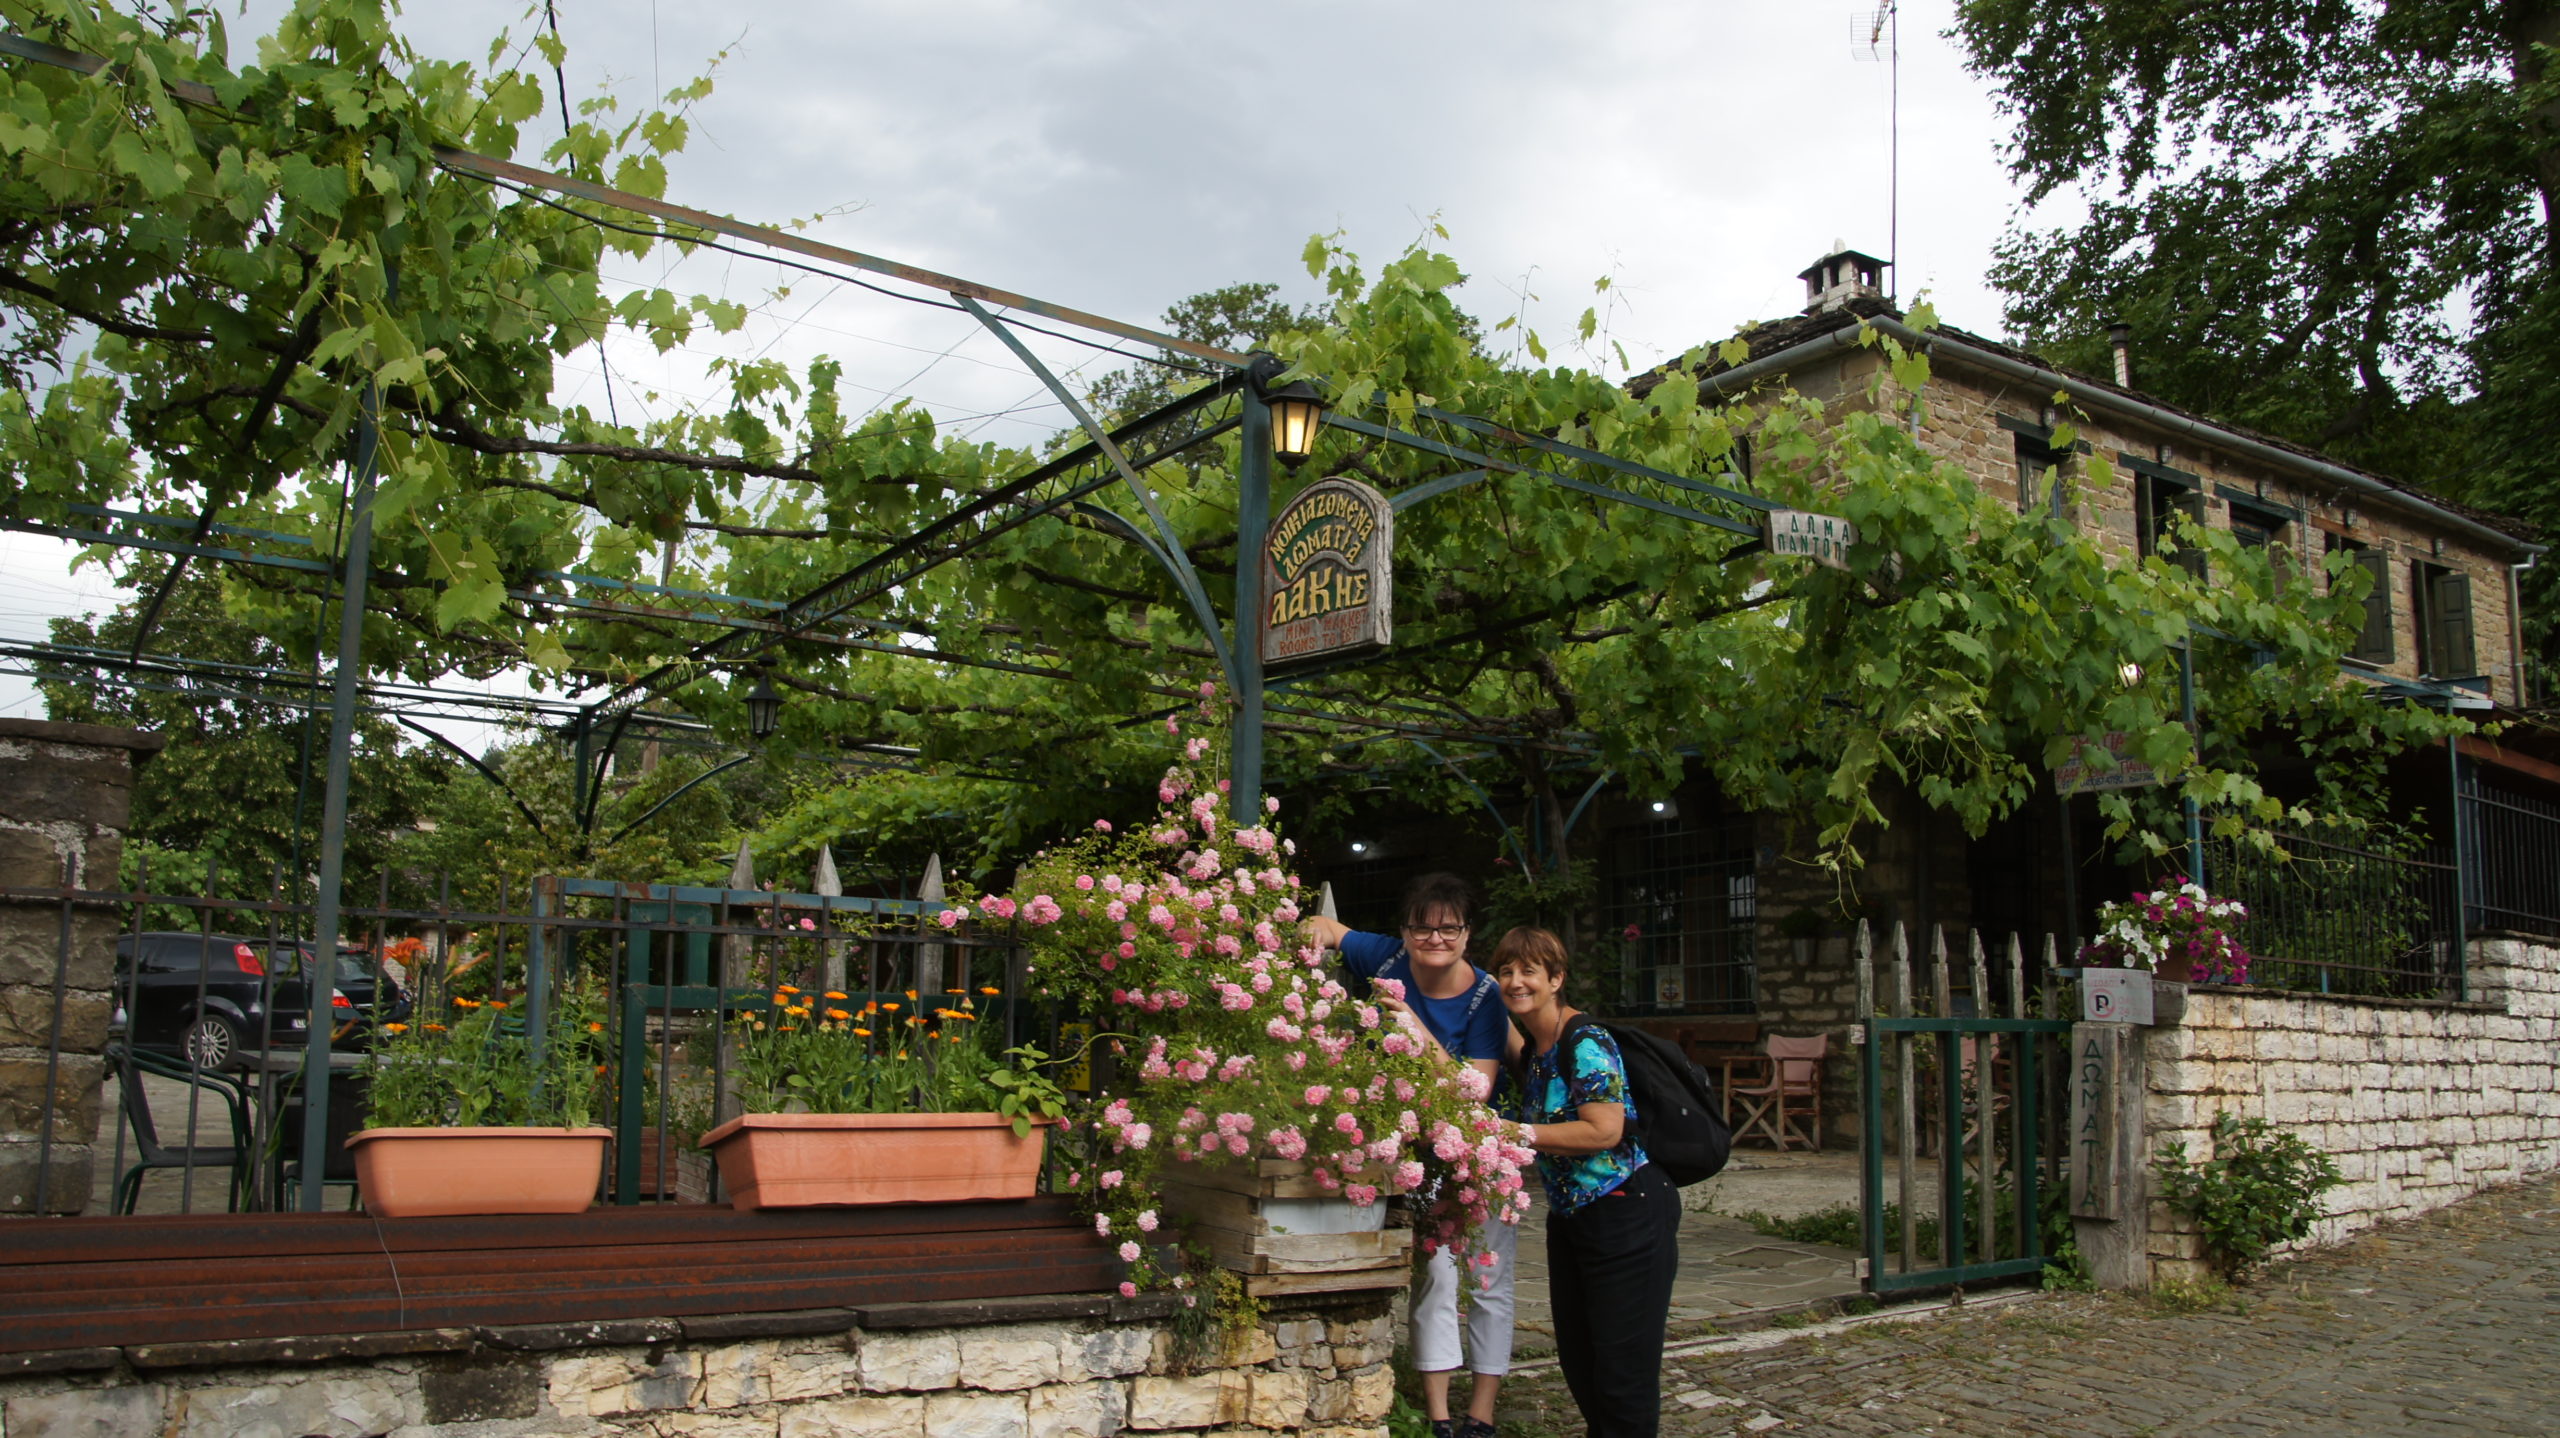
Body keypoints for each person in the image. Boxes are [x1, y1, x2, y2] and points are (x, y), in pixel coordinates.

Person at [1305, 872, 1513, 1438]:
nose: (1434, 939)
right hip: (1413, 1154)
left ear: (1467, 934)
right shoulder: (1388, 957)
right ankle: (1440, 1416)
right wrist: (1311, 945)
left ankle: (1482, 1414)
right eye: (1422, 928)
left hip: (1476, 1152)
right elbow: (1326, 925)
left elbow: (1476, 1091)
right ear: (1405, 931)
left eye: (1449, 929)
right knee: (1436, 1278)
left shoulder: (1485, 997)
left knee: (1489, 1280)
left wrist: (1415, 1029)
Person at [1492, 925, 1679, 1438]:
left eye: (1529, 970)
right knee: (1581, 1362)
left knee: (1622, 1373)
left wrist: (1514, 1132)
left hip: (1626, 1212)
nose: (1515, 981)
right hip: (1574, 1219)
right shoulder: (1536, 1048)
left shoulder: (1585, 1041)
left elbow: (1604, 1130)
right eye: (1506, 971)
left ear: (1556, 979)